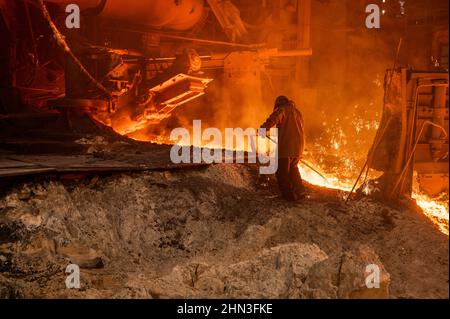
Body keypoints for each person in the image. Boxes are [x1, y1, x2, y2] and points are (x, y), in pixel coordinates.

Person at [260, 95, 306, 202]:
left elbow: (275, 118)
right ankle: (300, 191)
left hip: (286, 147)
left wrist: (263, 128)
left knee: (281, 172)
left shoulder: (283, 109)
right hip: (298, 148)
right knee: (293, 169)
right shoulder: (297, 112)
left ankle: (288, 196)